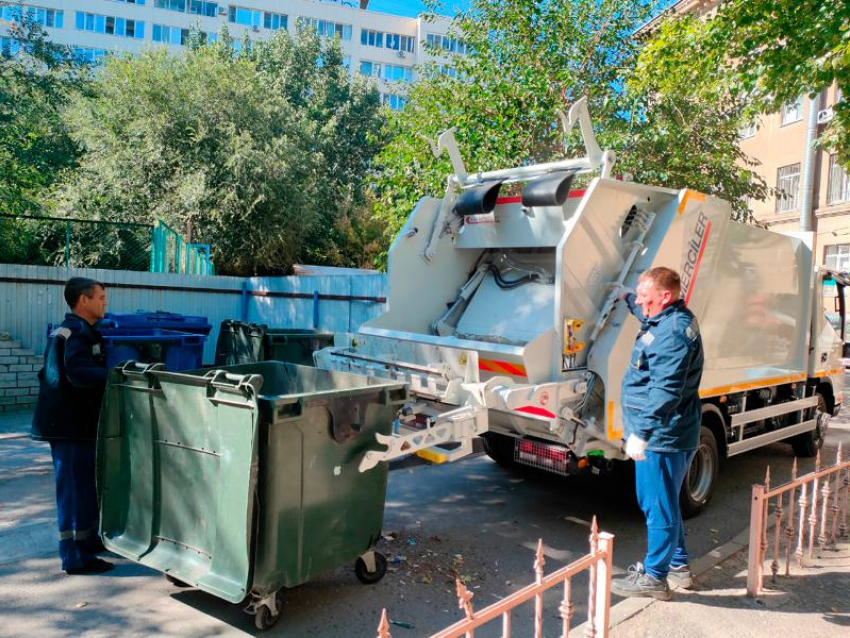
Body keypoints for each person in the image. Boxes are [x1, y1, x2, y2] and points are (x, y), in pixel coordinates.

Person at [611, 266, 704, 600]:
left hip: (664, 435)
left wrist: (642, 433)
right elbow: (643, 311)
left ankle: (654, 577)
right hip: (668, 432)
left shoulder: (672, 334)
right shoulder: (665, 318)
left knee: (657, 506)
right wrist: (624, 297)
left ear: (665, 296)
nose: (641, 301)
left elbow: (665, 390)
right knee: (665, 503)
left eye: (645, 295)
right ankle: (678, 566)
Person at [31, 277, 114, 575]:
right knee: (72, 489)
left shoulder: (73, 330)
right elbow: (77, 373)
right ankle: (73, 557)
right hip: (67, 425)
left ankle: (88, 541)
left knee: (84, 486)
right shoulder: (77, 333)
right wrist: (112, 375)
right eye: (101, 297)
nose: (105, 302)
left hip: (75, 424)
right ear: (83, 301)